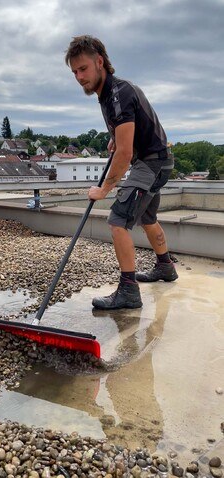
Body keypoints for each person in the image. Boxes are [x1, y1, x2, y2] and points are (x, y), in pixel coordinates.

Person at [65, 35, 178, 310]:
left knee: (118, 220)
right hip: (158, 160)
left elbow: (125, 154)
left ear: (99, 62)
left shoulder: (118, 93)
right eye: (74, 72)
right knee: (147, 217)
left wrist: (104, 189)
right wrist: (118, 136)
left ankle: (128, 291)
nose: (79, 77)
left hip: (150, 162)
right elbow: (128, 135)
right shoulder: (110, 94)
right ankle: (165, 266)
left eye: (83, 69)